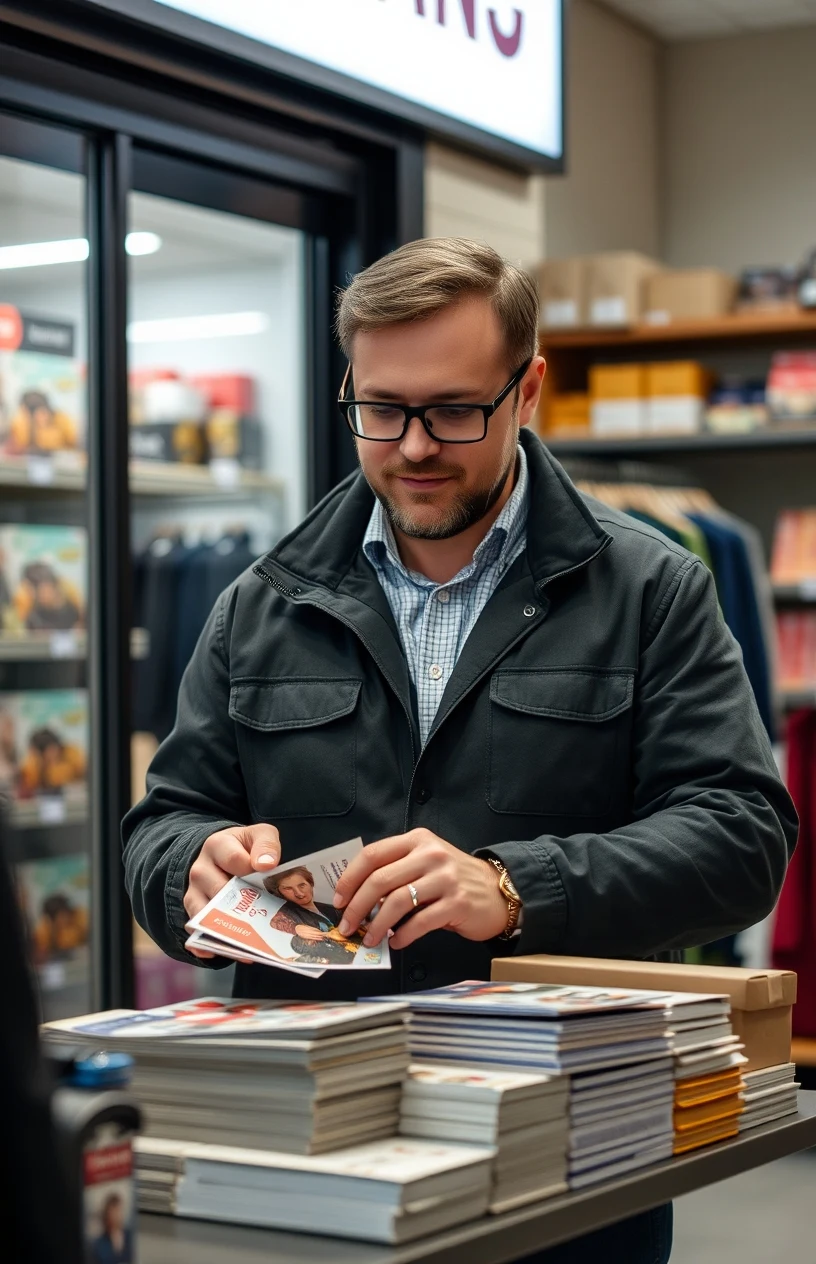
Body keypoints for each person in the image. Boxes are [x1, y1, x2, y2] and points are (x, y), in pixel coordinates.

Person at [124, 237, 797, 1264]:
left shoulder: (651, 590)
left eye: (453, 410)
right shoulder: (259, 603)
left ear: (528, 389)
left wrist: (515, 886)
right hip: (310, 1161)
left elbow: (743, 837)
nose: (414, 446)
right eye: (382, 410)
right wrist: (192, 866)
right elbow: (159, 828)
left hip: (563, 1155)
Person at [265, 865, 365, 964]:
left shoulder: (331, 909)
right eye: (288, 888)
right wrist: (295, 928)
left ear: (310, 884)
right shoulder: (287, 911)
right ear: (280, 892)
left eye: (302, 885)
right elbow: (276, 921)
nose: (299, 893)